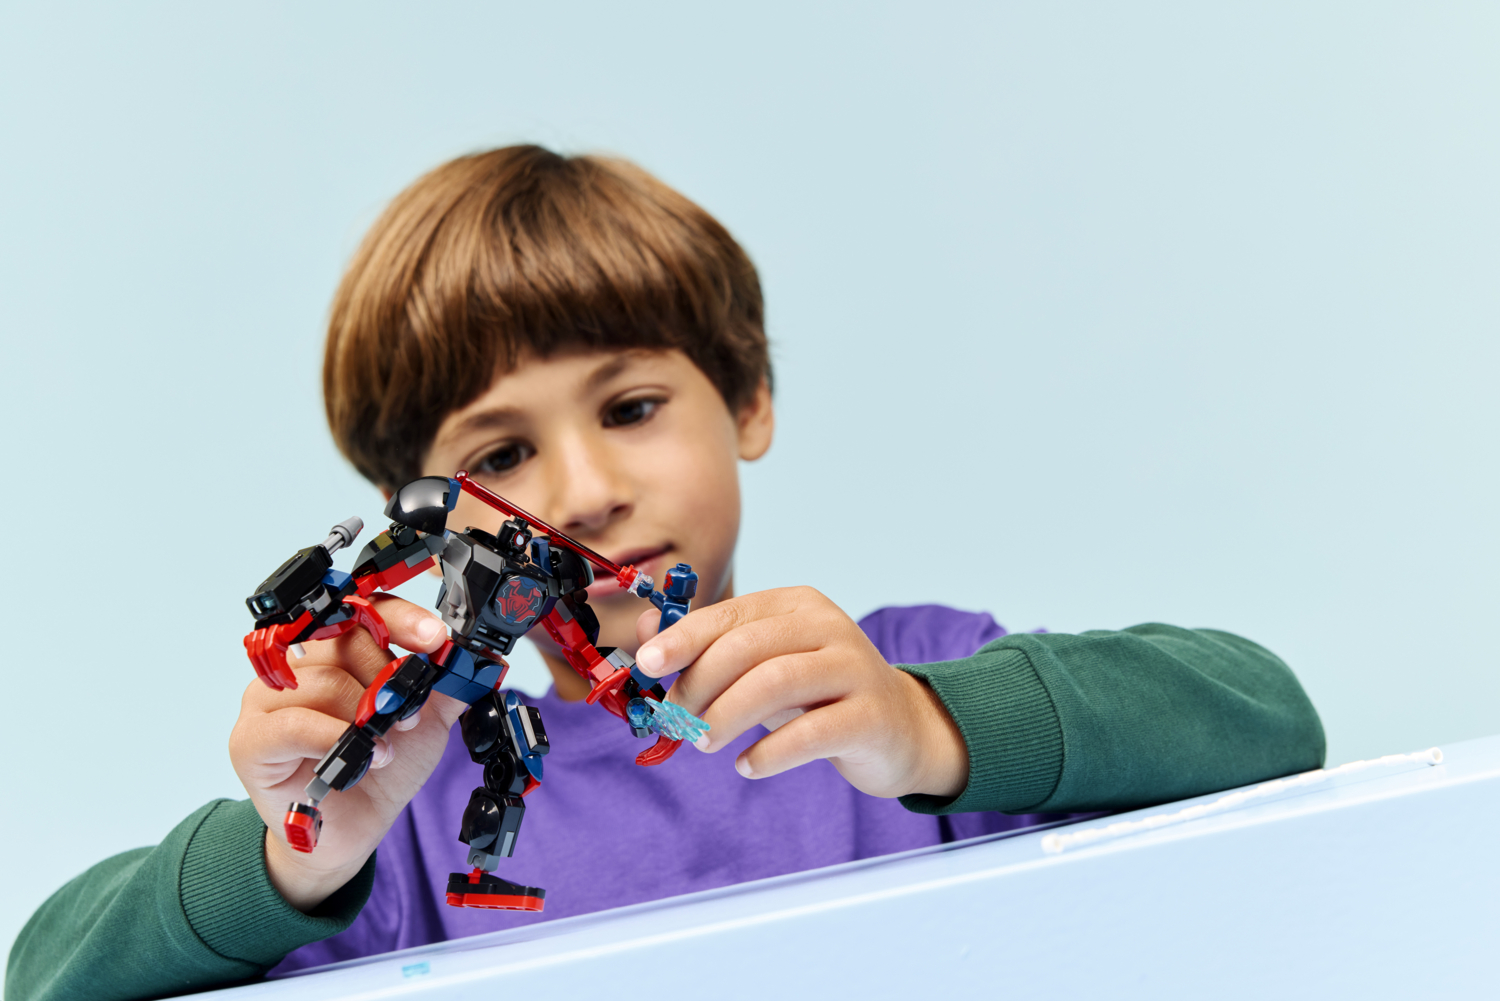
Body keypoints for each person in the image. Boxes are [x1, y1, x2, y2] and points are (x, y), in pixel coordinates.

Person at [6, 146, 1325, 1001]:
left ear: (747, 398)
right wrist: (292, 856)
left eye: (631, 406)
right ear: (432, 524)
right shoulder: (402, 813)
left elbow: (1269, 719)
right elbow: (45, 973)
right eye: (503, 454)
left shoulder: (913, 684)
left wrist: (930, 727)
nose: (585, 490)